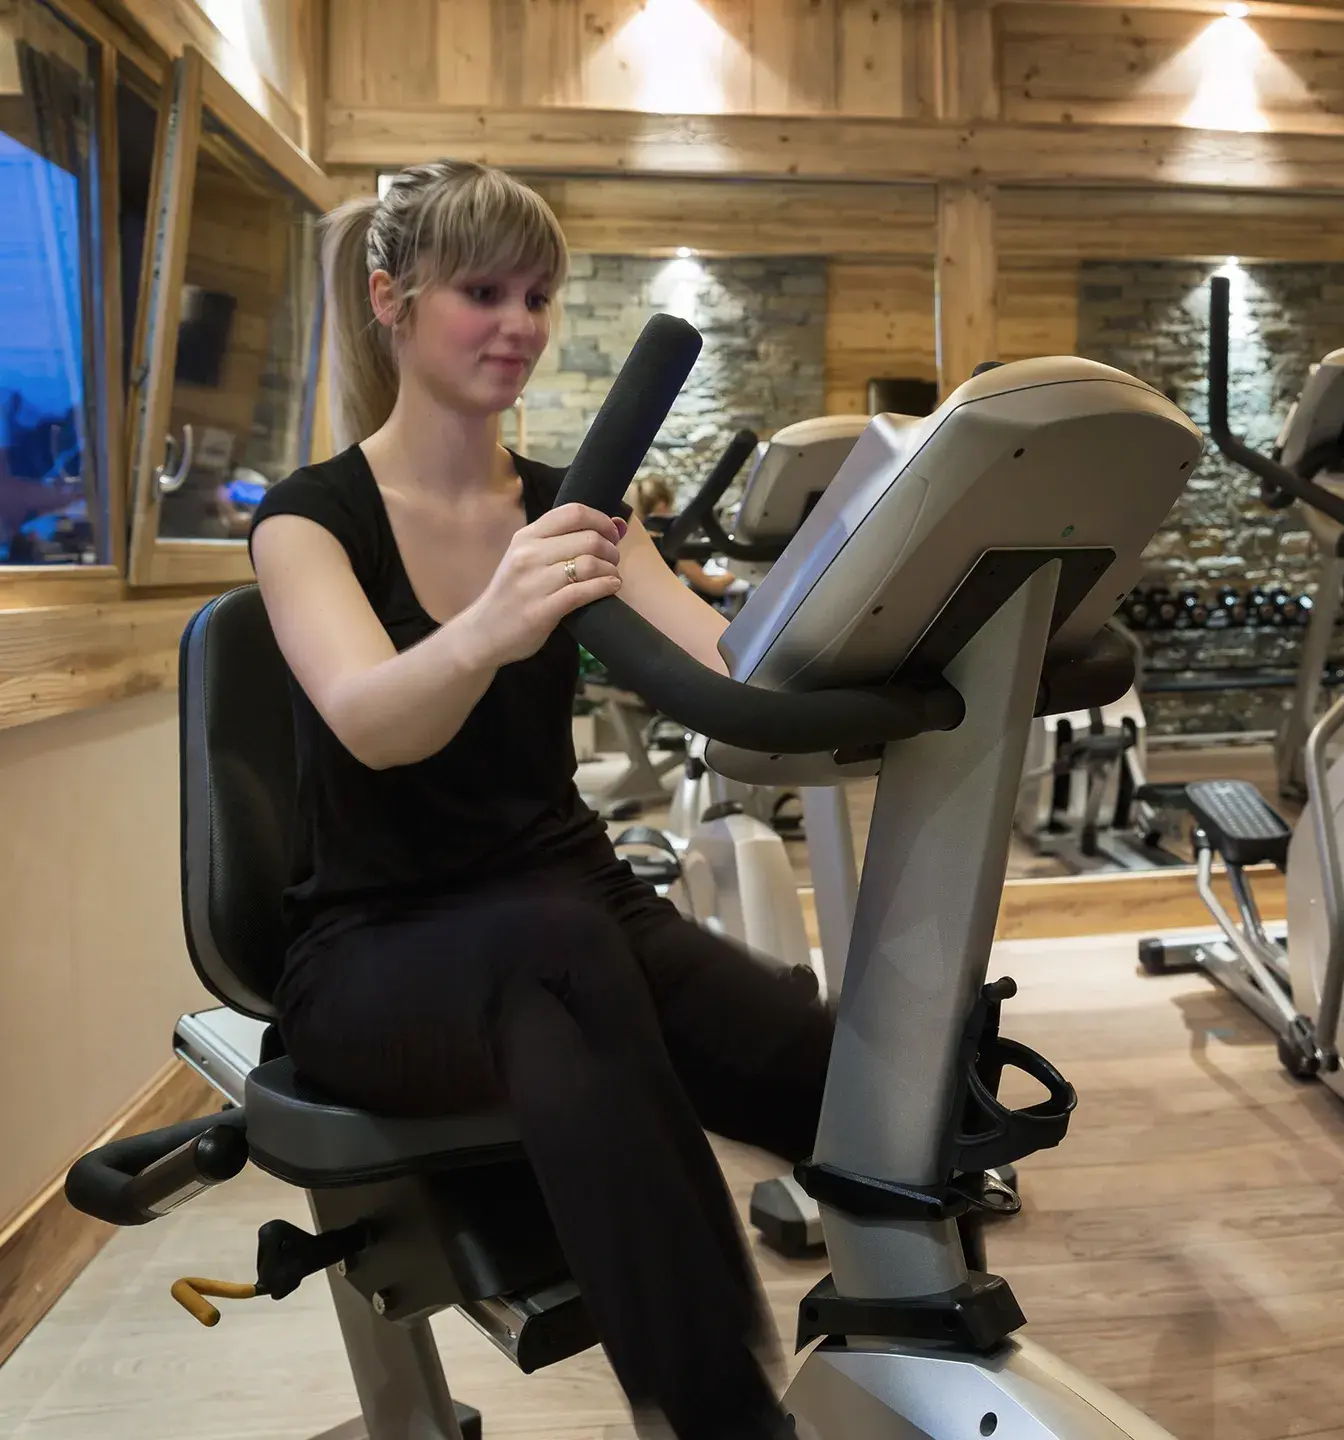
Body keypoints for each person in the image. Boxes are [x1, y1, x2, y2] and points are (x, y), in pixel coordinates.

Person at [246, 160, 826, 1440]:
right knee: (561, 954)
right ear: (393, 300)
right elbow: (372, 722)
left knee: (823, 1061)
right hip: (376, 948)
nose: (518, 323)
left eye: (539, 297)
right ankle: (721, 1415)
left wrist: (887, 609)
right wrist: (497, 620)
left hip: (576, 909)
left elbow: (726, 658)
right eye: (483, 292)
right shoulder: (308, 522)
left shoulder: (575, 502)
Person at [634, 474, 737, 603]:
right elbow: (713, 586)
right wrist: (740, 570)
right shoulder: (667, 543)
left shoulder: (634, 539)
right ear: (662, 505)